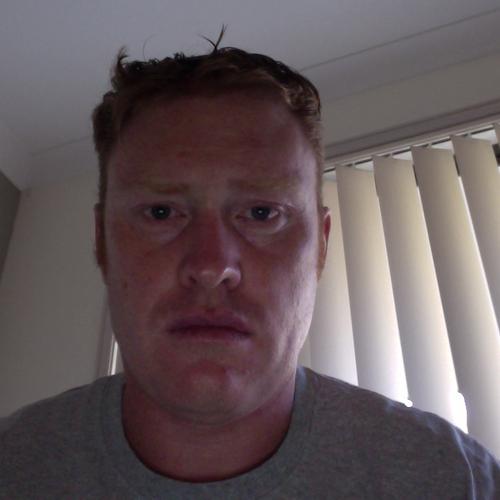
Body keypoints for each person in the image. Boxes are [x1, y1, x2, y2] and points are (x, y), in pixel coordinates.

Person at [1, 38, 499, 499]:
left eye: (262, 213)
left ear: (321, 247)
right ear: (102, 243)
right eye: (161, 212)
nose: (211, 266)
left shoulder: (455, 479)